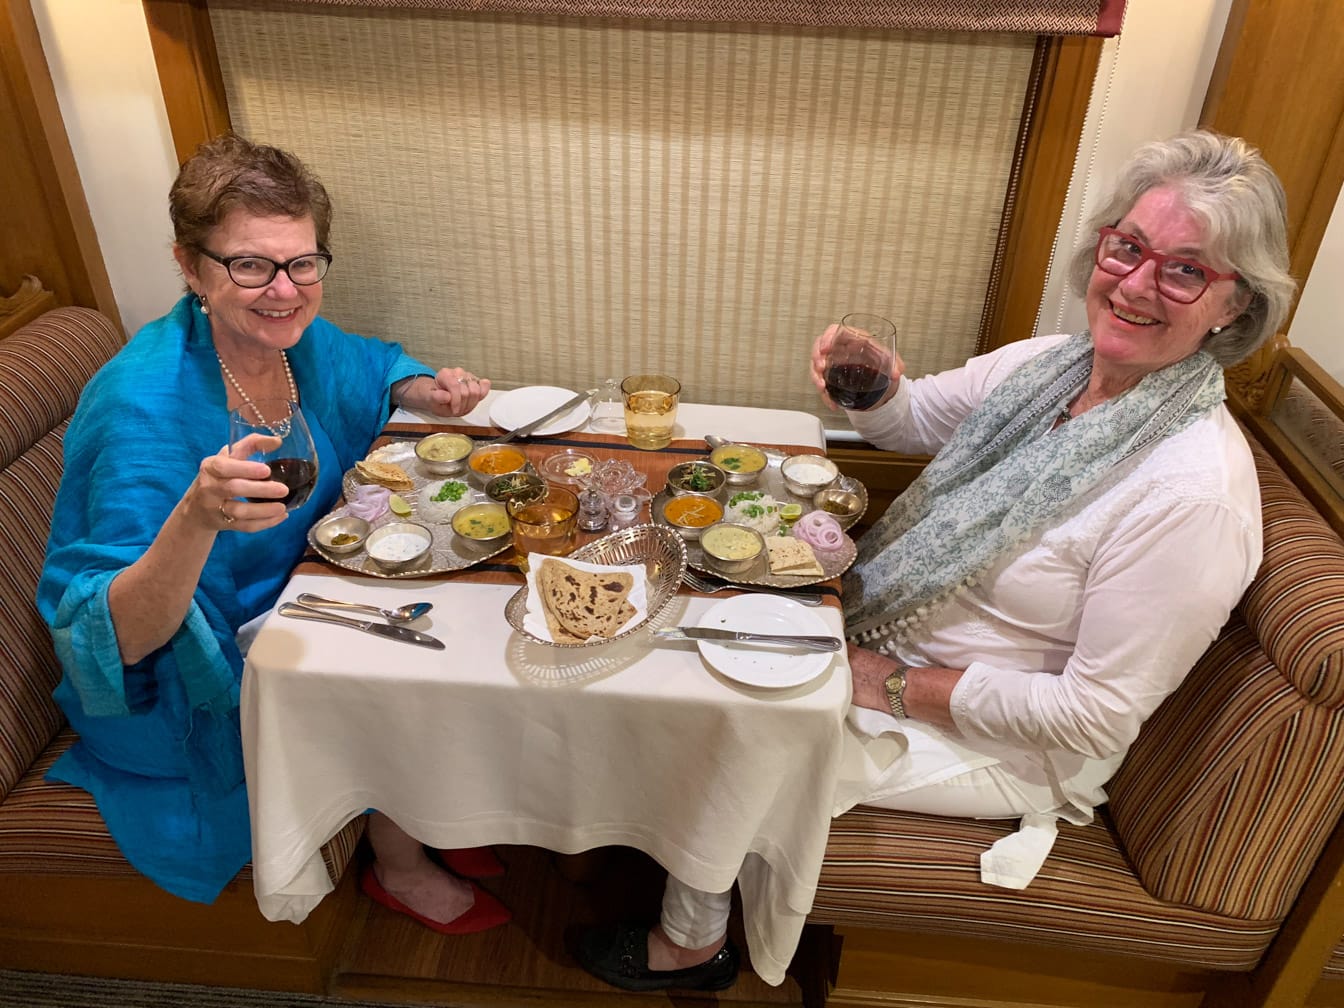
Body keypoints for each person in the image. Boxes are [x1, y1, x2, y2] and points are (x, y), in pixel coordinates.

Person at [575, 129, 1296, 990]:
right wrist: (877, 388)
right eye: (1129, 247)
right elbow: (914, 422)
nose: (1137, 283)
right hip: (884, 645)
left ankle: (694, 945)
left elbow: (1093, 717)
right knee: (692, 632)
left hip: (997, 739)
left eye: (1185, 269)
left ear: (1235, 307)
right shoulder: (1049, 367)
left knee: (728, 727)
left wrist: (878, 677)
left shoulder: (1191, 496)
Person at [37, 134, 509, 934]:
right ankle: (397, 865)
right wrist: (194, 519)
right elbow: (112, 636)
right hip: (200, 670)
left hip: (304, 586)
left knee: (465, 606)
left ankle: (429, 808)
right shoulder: (143, 405)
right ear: (191, 267)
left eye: (302, 263)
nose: (283, 290)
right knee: (407, 661)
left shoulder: (289, 339)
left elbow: (371, 362)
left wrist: (432, 390)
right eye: (248, 265)